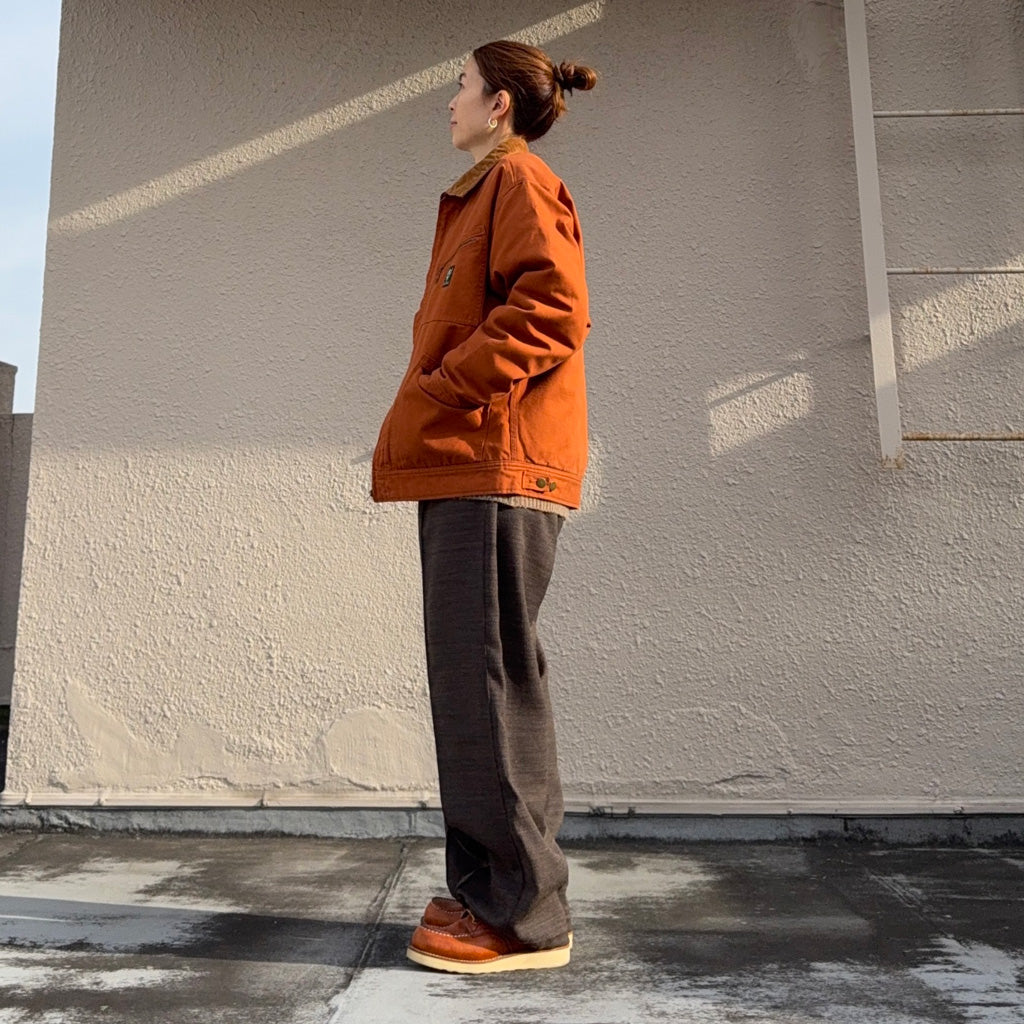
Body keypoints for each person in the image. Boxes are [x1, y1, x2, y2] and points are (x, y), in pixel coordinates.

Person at [371, 39, 597, 974]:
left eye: (460, 86)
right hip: (472, 465)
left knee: (488, 684)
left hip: (493, 466)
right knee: (475, 686)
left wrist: (446, 386)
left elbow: (552, 309)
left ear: (499, 102)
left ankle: (522, 919)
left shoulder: (519, 182)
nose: (450, 101)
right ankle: (488, 895)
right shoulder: (485, 192)